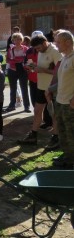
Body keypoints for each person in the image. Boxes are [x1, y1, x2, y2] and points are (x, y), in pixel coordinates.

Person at [18, 33, 62, 145]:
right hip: (41, 86)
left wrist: (42, 70)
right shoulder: (41, 51)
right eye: (35, 49)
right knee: (37, 110)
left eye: (38, 48)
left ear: (44, 43)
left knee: (53, 113)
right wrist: (33, 67)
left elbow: (60, 73)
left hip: (52, 88)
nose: (37, 50)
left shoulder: (55, 52)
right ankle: (33, 135)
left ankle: (56, 137)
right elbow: (42, 67)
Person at [50, 30, 74, 169]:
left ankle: (72, 162)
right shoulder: (64, 57)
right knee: (63, 133)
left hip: (70, 104)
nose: (56, 44)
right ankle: (68, 156)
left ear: (68, 42)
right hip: (60, 101)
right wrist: (50, 89)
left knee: (71, 134)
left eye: (58, 42)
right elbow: (64, 81)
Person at [4, 33, 30, 113]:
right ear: (13, 40)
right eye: (15, 39)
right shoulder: (10, 49)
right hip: (13, 70)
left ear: (21, 40)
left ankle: (27, 106)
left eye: (19, 39)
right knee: (13, 89)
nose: (17, 41)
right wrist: (6, 70)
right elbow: (8, 60)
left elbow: (28, 60)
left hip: (23, 71)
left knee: (24, 89)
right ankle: (12, 105)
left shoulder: (26, 49)